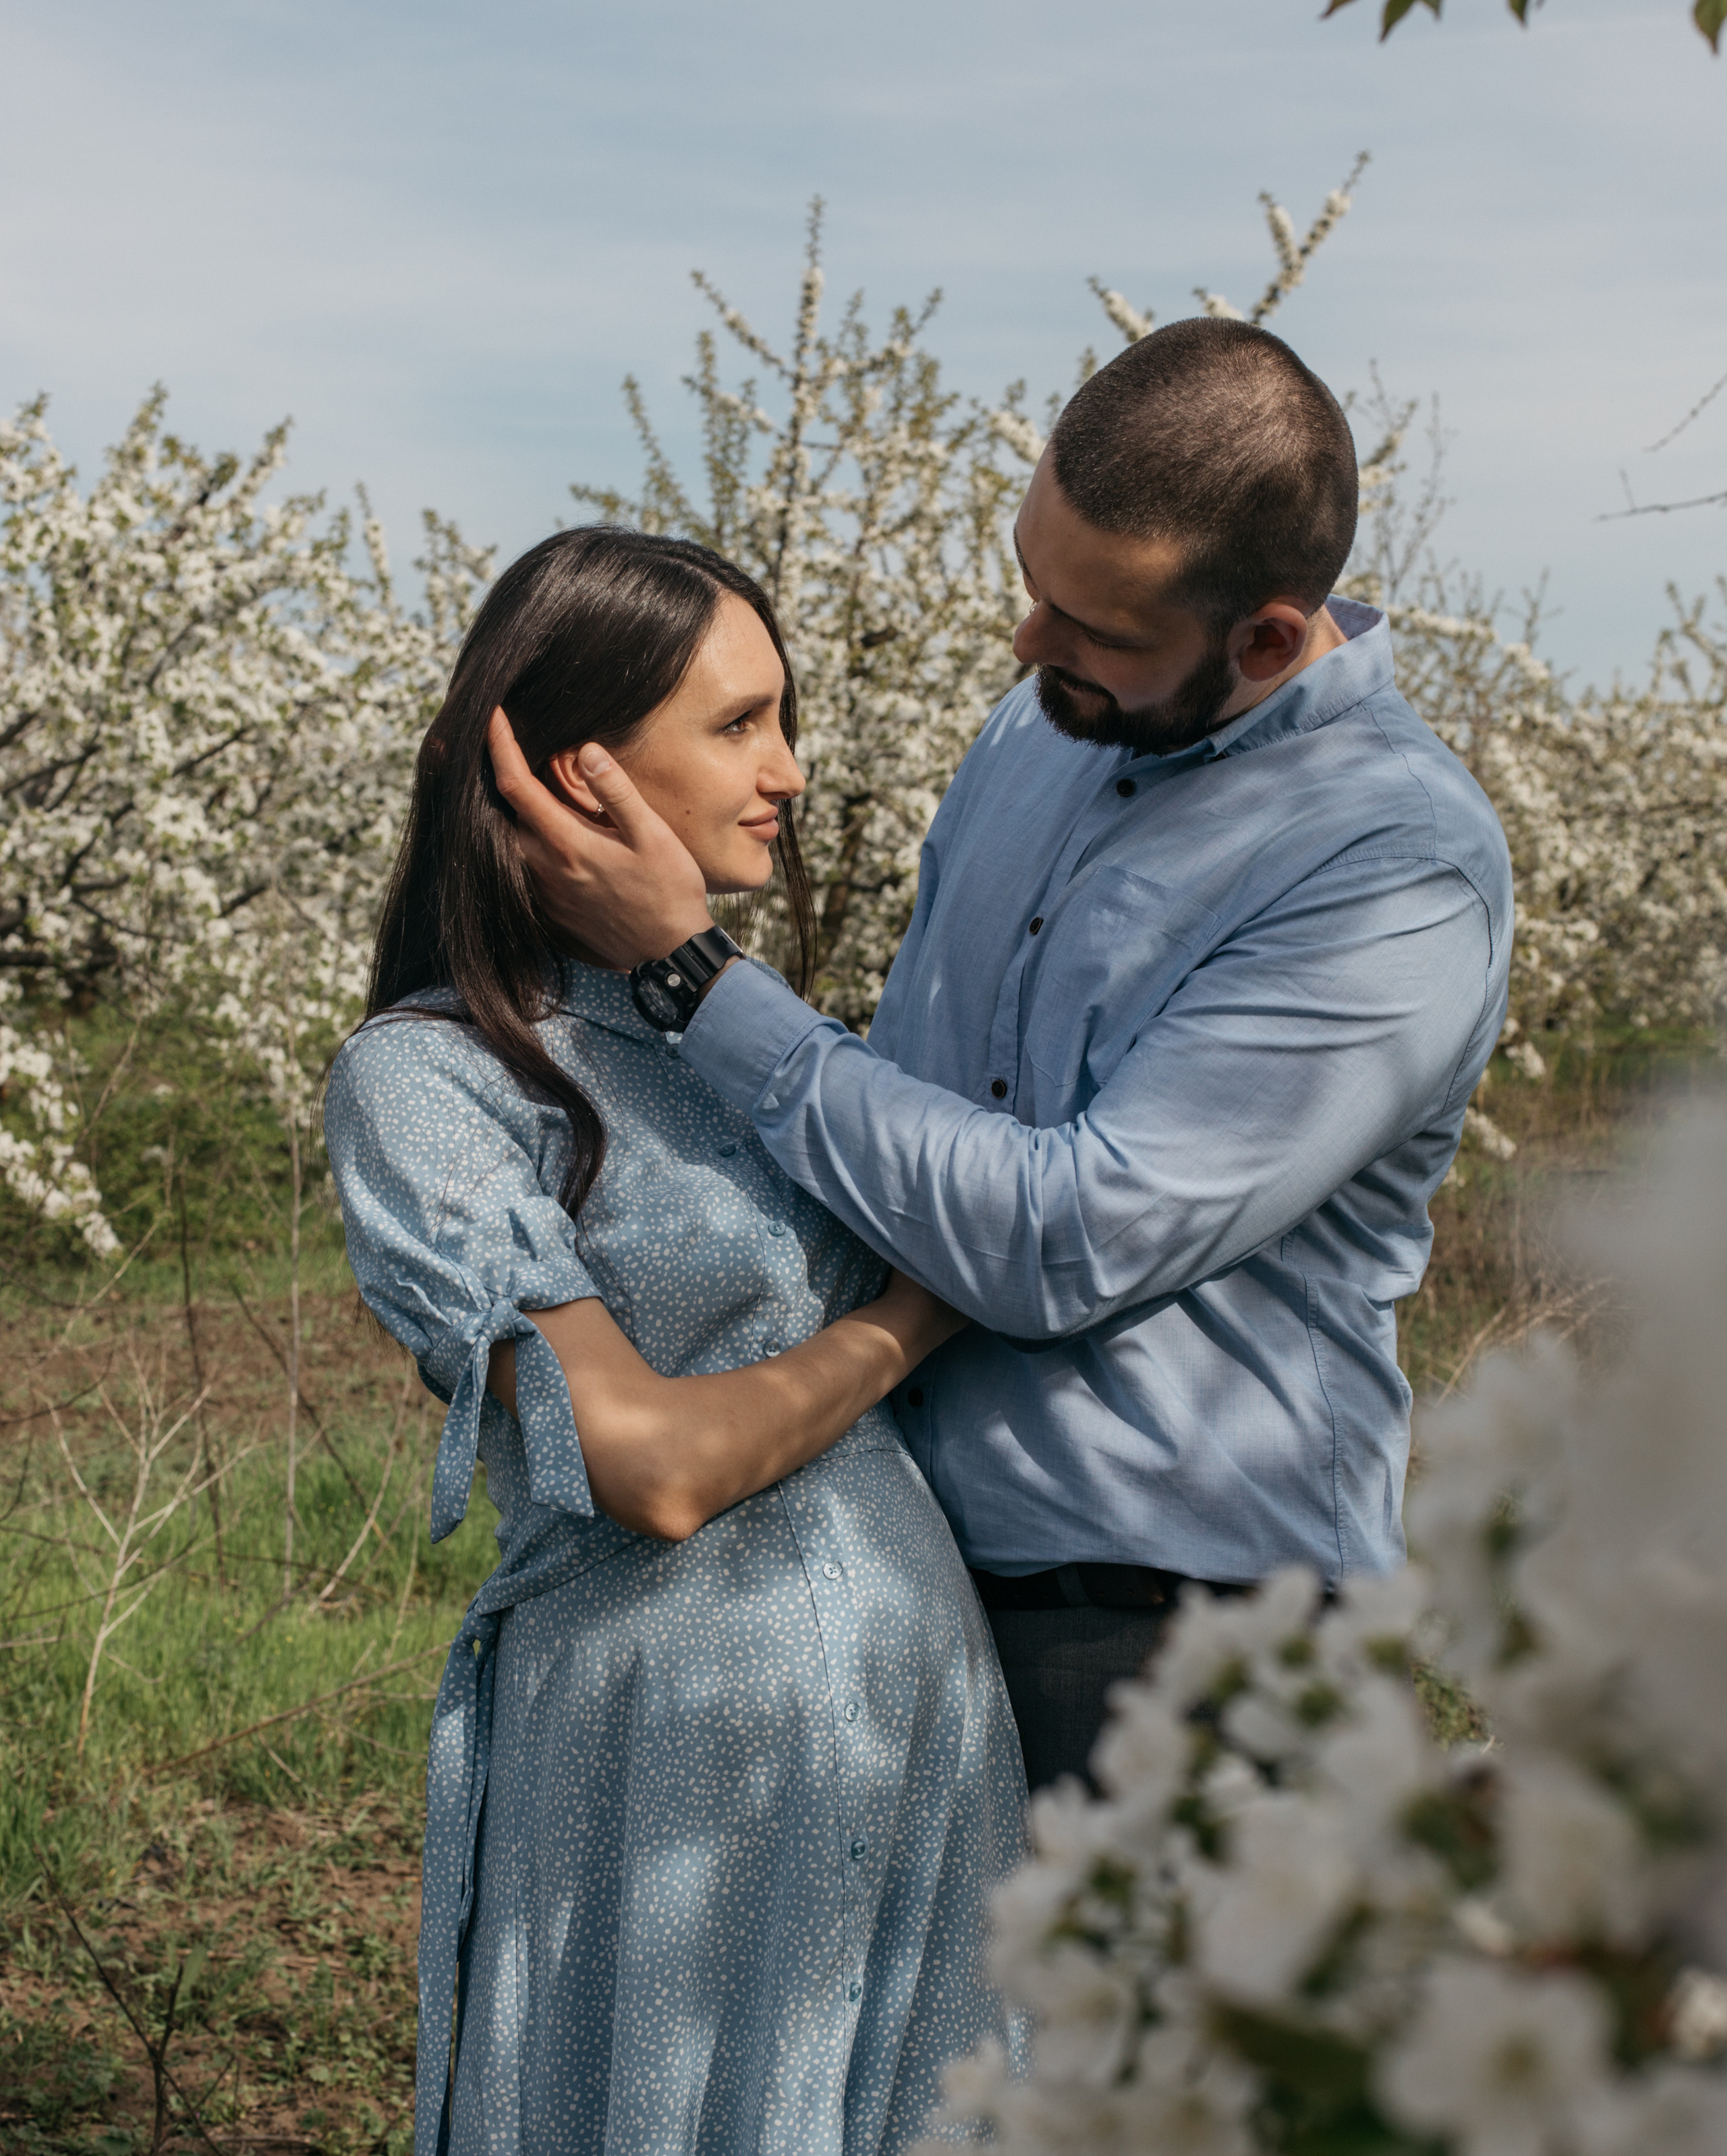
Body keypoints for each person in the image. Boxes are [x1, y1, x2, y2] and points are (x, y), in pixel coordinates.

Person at [487, 316, 1517, 1794]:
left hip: (1185, 1638)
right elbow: (906, 1086)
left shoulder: (1389, 866)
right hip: (903, 1557)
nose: (1029, 645)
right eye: (1031, 582)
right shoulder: (1037, 731)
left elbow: (1059, 1240)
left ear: (1269, 639)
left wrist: (695, 976)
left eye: (1093, 628)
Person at [323, 530, 1025, 2156]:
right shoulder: (434, 1075)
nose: (794, 767)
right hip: (664, 1775)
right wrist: (904, 1320)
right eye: (746, 721)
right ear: (584, 772)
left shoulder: (747, 1034)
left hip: (913, 1746)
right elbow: (645, 1459)